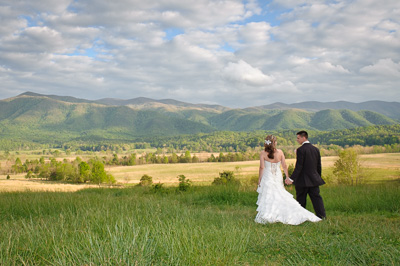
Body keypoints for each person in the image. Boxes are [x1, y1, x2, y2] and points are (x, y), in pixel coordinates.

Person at [255, 135, 321, 225]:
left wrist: (260, 178)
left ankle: (270, 214)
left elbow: (262, 167)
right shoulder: (280, 152)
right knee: (279, 193)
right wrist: (287, 177)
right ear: (275, 143)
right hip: (277, 176)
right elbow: (284, 166)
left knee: (269, 194)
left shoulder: (263, 153)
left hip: (268, 176)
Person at [286, 131, 326, 219]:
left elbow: (299, 166)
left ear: (304, 138)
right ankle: (322, 216)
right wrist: (317, 177)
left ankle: (300, 218)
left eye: (298, 138)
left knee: (301, 199)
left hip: (302, 180)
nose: (297, 140)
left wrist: (291, 178)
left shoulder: (300, 150)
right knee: (317, 199)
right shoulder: (316, 149)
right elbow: (318, 165)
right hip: (314, 179)